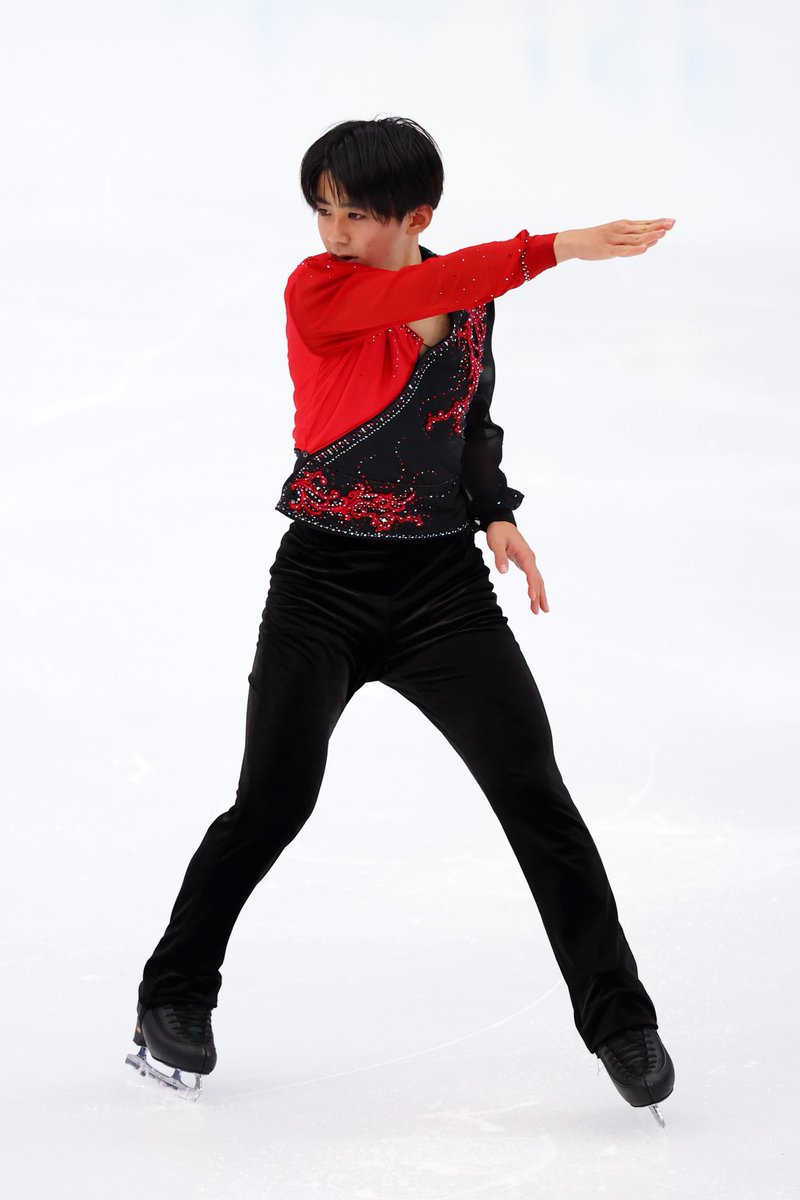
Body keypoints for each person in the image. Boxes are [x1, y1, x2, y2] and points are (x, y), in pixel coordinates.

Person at [128, 116, 676, 1114]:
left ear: (415, 216)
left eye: (356, 215)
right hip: (323, 585)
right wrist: (558, 247)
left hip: (441, 592)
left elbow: (466, 416)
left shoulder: (467, 299)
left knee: (534, 796)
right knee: (272, 803)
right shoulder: (320, 290)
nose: (333, 231)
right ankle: (172, 994)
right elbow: (424, 290)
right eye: (322, 210)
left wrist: (495, 510)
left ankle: (621, 1021)